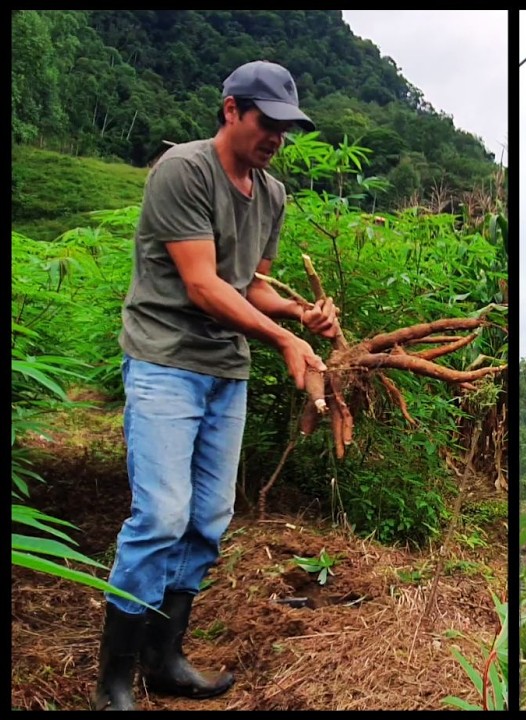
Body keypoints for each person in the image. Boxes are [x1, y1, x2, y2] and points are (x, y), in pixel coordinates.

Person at [96, 60, 340, 711]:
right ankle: (113, 682)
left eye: (286, 128)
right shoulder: (184, 170)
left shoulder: (272, 194)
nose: (276, 138)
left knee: (207, 518)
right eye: (267, 123)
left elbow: (250, 285)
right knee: (161, 516)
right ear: (231, 110)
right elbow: (204, 285)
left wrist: (299, 314)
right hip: (165, 361)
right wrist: (284, 340)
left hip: (225, 371)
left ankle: (164, 659)